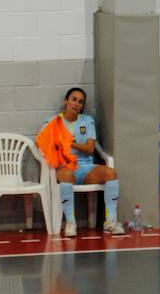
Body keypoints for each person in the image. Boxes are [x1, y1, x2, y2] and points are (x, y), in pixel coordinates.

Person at [36, 87, 123, 237]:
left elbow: (90, 148)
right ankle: (70, 223)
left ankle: (111, 221)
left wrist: (70, 143)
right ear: (66, 101)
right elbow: (41, 144)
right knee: (66, 175)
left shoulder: (87, 121)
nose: (76, 104)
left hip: (86, 167)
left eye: (80, 102)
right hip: (66, 167)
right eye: (74, 99)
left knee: (111, 173)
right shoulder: (53, 122)